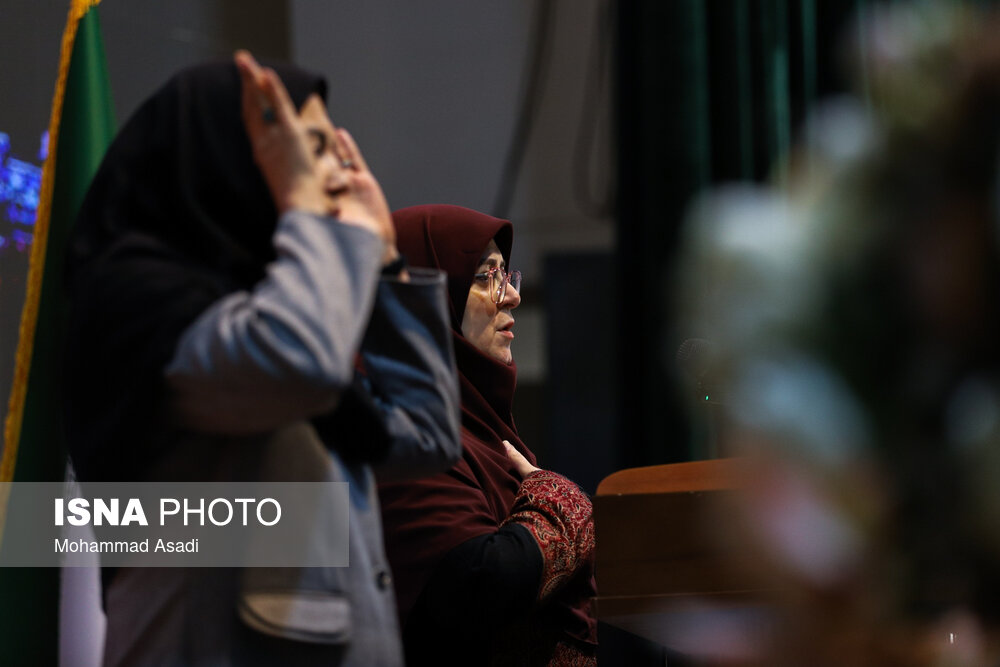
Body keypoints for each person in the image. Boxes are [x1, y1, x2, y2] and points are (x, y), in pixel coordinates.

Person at [62, 53, 460, 666]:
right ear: (228, 156)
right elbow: (303, 364)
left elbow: (428, 435)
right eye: (307, 149)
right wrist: (309, 212)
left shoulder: (272, 311)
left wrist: (385, 261)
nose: (334, 175)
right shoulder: (142, 304)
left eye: (331, 151)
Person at [378, 204, 598, 666]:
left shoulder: (479, 429)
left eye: (506, 275)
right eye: (484, 277)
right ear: (428, 297)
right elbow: (479, 583)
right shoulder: (404, 432)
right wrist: (561, 504)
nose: (511, 296)